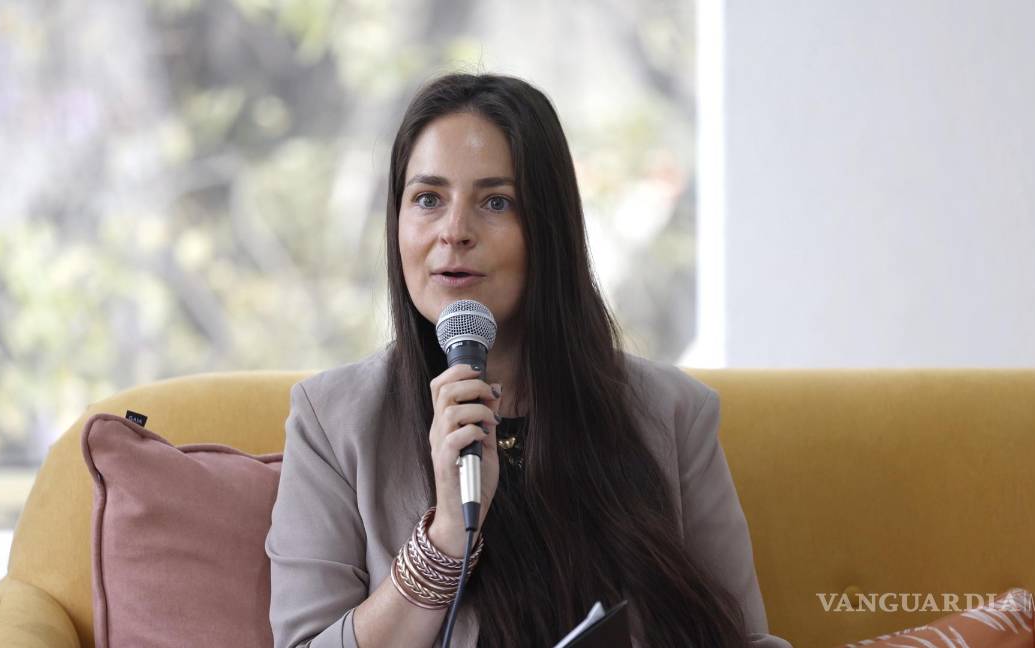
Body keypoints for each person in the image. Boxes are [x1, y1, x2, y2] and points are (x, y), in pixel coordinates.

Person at [266, 72, 792, 648]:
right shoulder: (331, 421)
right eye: (427, 199)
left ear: (549, 226)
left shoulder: (672, 414)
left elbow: (745, 640)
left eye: (496, 201)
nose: (455, 232)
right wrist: (444, 539)